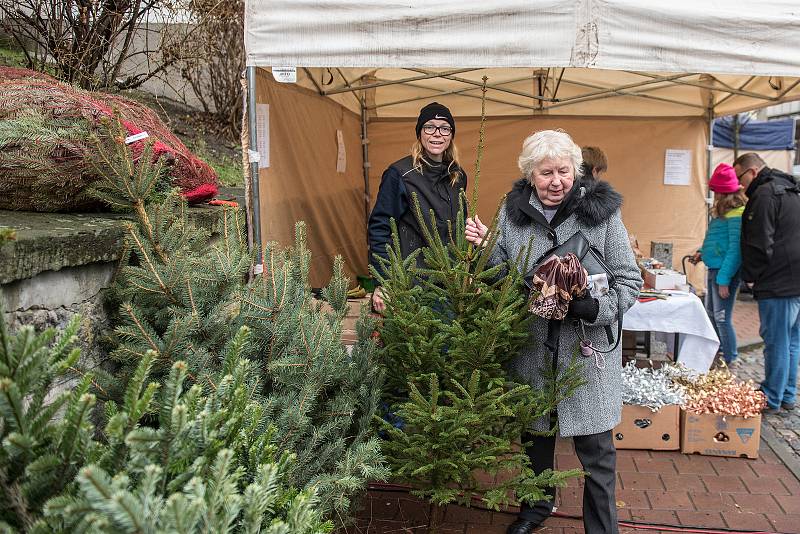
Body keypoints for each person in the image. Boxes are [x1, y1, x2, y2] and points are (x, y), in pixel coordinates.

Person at [465, 130, 642, 534]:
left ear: (576, 171)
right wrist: (483, 248)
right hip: (533, 349)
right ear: (530, 175)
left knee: (597, 452)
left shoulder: (602, 214)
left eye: (564, 171)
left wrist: (593, 307)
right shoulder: (511, 215)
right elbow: (499, 274)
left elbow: (630, 281)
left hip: (587, 353)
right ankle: (534, 510)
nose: (556, 181)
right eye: (546, 173)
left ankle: (602, 526)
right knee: (535, 440)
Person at [368, 102, 467, 313]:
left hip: (450, 284)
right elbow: (379, 228)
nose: (437, 134)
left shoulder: (457, 176)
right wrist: (383, 281)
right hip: (411, 286)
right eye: (429, 127)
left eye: (444, 128)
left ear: (451, 135)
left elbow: (461, 229)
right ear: (420, 133)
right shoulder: (400, 174)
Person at [734, 152, 800, 413]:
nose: (740, 185)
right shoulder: (789, 189)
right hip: (793, 279)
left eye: (740, 178)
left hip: (778, 281)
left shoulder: (764, 194)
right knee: (791, 341)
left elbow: (760, 243)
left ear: (751, 172)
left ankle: (772, 396)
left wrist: (750, 277)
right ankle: (786, 394)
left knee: (777, 341)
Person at [689, 163, 746, 365]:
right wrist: (701, 254)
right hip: (716, 270)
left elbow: (734, 250)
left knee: (721, 317)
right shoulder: (724, 212)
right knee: (713, 315)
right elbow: (718, 242)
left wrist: (724, 279)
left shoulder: (737, 214)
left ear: (723, 192)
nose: (714, 195)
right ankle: (719, 354)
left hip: (724, 274)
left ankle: (731, 359)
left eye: (716, 191)